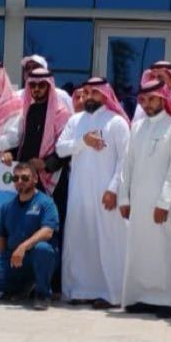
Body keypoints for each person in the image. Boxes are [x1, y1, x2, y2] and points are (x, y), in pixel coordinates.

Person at [118, 79, 171, 318]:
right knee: (141, 248)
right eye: (143, 100)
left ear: (163, 99)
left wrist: (164, 203)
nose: (146, 104)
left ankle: (170, 300)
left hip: (162, 203)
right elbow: (127, 164)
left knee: (166, 248)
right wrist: (124, 198)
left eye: (151, 99)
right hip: (139, 201)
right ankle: (142, 296)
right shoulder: (137, 127)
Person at [55, 77, 131, 309]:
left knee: (108, 241)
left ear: (105, 95)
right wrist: (83, 142)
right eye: (86, 92)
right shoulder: (75, 121)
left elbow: (125, 160)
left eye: (94, 92)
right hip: (79, 192)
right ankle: (80, 290)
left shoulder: (117, 122)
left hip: (106, 194)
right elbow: (60, 149)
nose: (89, 97)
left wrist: (113, 189)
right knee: (81, 239)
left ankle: (111, 293)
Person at [0, 162, 60, 311]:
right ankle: (21, 288)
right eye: (15, 178)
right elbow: (1, 238)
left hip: (38, 258)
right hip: (14, 260)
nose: (20, 182)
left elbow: (47, 231)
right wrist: (1, 260)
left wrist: (23, 247)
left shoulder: (46, 203)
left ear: (35, 179)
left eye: (24, 178)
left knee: (43, 249)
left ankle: (42, 295)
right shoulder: (6, 207)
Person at [3, 67, 72, 193]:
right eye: (32, 85)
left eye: (41, 85)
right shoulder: (27, 110)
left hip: (50, 177)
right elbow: (21, 139)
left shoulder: (61, 114)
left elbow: (67, 148)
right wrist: (9, 153)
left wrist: (45, 163)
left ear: (49, 86)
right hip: (24, 175)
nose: (36, 89)